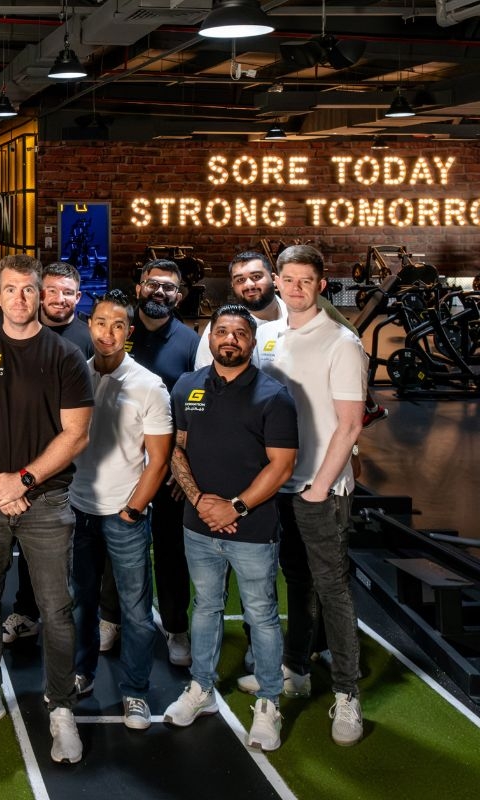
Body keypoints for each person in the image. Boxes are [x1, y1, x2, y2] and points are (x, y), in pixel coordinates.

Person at [0, 254, 93, 764]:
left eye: (28, 290)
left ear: (39, 294)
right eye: (9, 289)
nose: (19, 298)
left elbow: (76, 435)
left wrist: (24, 480)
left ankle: (61, 708)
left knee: (55, 608)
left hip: (46, 499)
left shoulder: (66, 356)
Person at [162, 305, 298, 753]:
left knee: (261, 612)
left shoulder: (274, 396)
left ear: (252, 342)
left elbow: (281, 467)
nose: (231, 340)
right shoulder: (187, 386)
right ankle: (200, 688)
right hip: (198, 524)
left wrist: (235, 506)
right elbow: (176, 451)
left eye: (241, 333)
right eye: (223, 331)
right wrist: (200, 500)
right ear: (210, 337)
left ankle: (269, 701)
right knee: (205, 607)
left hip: (253, 529)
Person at [248, 245, 369, 747]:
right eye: (288, 279)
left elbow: (349, 424)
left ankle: (347, 694)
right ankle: (297, 668)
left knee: (332, 588)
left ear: (322, 284)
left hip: (319, 488)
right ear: (277, 282)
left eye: (306, 280)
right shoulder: (267, 336)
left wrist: (319, 487)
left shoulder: (341, 342)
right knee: (296, 580)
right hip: (279, 484)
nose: (296, 288)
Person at [70, 290, 172, 728]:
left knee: (134, 610)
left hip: (123, 516)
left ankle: (134, 691)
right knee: (82, 602)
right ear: (89, 326)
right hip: (78, 511)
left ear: (129, 333)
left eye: (118, 326)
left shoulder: (149, 384)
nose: (108, 334)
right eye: (100, 324)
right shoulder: (75, 377)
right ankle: (81, 672)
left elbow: (160, 460)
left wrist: (133, 510)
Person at [102, 259, 200, 666]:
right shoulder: (121, 331)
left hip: (169, 466)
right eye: (153, 284)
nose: (160, 292)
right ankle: (111, 619)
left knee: (170, 550)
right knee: (117, 547)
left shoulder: (192, 343)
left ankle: (176, 628)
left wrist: (185, 462)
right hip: (121, 462)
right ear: (139, 286)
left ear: (179, 296)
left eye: (169, 288)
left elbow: (201, 402)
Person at [2, 260, 95, 648]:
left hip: (80, 465)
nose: (59, 299)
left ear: (79, 296)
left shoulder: (88, 339)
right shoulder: (16, 336)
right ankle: (26, 611)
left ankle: (90, 616)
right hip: (31, 467)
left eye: (68, 292)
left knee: (79, 551)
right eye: (52, 291)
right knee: (30, 547)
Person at [194, 251, 387, 428]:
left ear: (274, 279)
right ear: (233, 286)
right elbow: (209, 383)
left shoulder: (307, 307)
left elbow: (352, 341)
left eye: (256, 277)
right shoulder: (221, 329)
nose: (249, 285)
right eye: (240, 280)